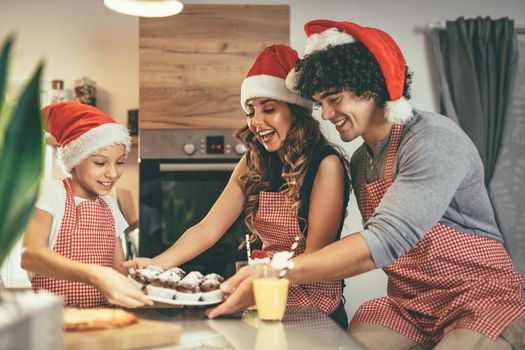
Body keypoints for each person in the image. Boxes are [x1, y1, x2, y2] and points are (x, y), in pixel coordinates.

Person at [208, 20, 525, 349]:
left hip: (477, 300)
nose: (327, 114)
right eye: (321, 102)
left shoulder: (433, 140)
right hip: (408, 307)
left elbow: (385, 240)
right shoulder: (361, 160)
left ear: (372, 87)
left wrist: (275, 271)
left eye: (334, 99)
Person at [123, 44, 352, 327]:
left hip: (315, 312)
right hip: (265, 301)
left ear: (297, 110)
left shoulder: (325, 165)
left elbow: (317, 260)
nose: (256, 122)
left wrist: (260, 281)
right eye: (250, 111)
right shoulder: (253, 162)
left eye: (269, 109)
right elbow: (208, 229)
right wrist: (156, 265)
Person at [22, 102, 152, 308]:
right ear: (74, 160)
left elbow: (120, 270)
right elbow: (30, 256)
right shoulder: (51, 193)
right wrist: (93, 274)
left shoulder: (109, 205)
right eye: (100, 163)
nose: (113, 173)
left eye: (119, 162)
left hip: (105, 318)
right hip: (56, 321)